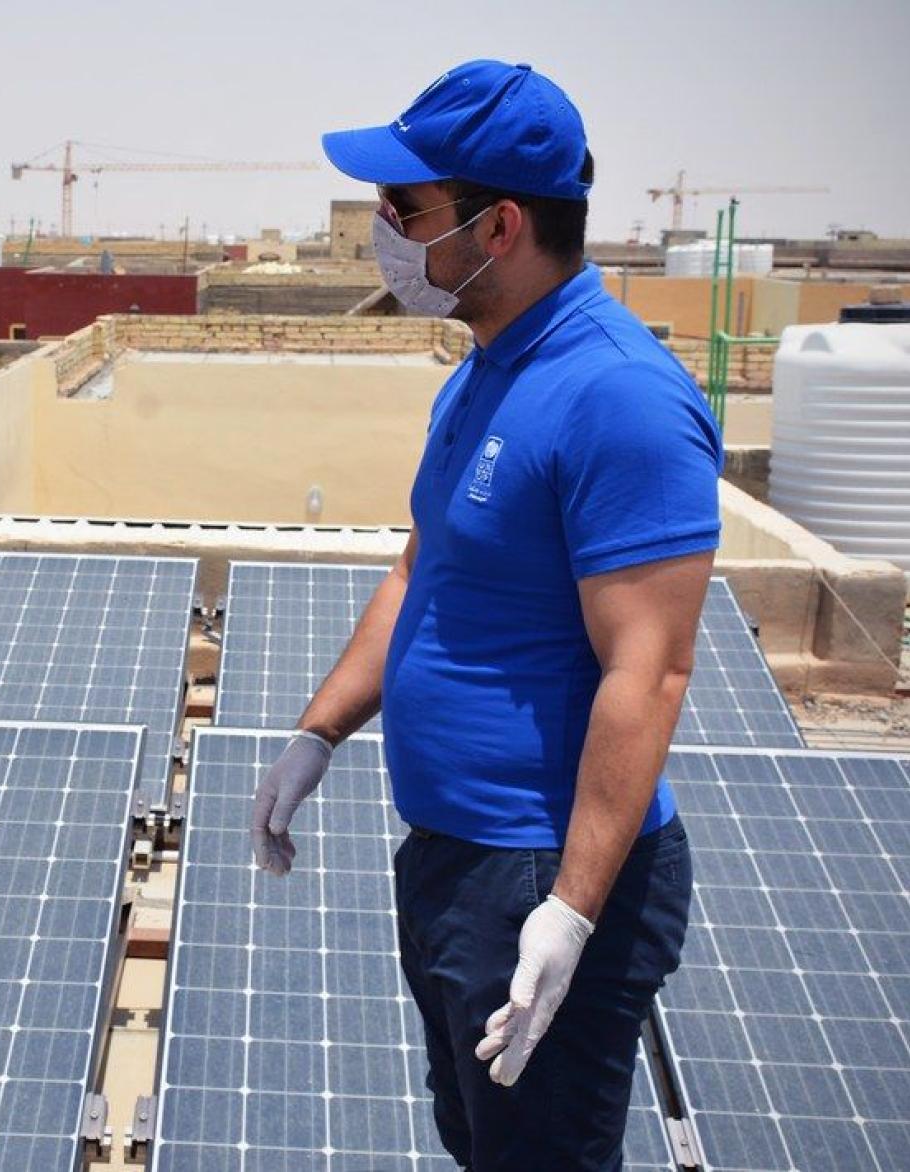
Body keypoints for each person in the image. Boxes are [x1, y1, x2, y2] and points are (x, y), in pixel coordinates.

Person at [250, 62, 719, 1170]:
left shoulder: (619, 397)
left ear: (498, 224)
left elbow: (645, 672)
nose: (381, 232)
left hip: (537, 869)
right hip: (455, 861)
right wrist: (316, 732)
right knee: (479, 1142)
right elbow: (425, 571)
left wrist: (565, 910)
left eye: (403, 212)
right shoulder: (484, 371)